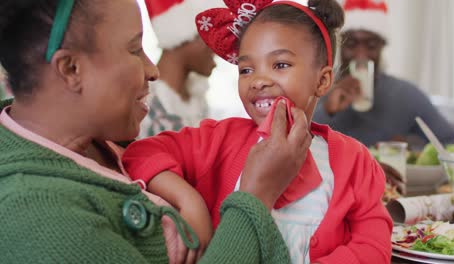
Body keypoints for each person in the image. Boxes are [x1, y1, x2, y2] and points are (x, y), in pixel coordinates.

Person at [0, 0, 314, 263]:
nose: (153, 70)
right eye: (135, 49)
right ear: (71, 69)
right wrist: (256, 194)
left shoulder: (100, 143)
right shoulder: (37, 216)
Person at [122, 0, 393, 263]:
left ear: (322, 81)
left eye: (280, 65)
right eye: (246, 69)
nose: (258, 81)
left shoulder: (355, 160)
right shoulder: (218, 138)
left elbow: (373, 247)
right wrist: (189, 201)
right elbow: (139, 153)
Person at [313, 0, 454, 148]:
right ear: (340, 46)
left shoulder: (406, 94)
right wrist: (327, 109)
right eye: (351, 44)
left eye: (371, 46)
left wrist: (412, 146)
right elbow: (298, 145)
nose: (361, 55)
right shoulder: (318, 88)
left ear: (381, 48)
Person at [139, 0, 223, 138]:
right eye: (210, 35)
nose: (218, 48)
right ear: (188, 37)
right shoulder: (146, 103)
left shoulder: (197, 99)